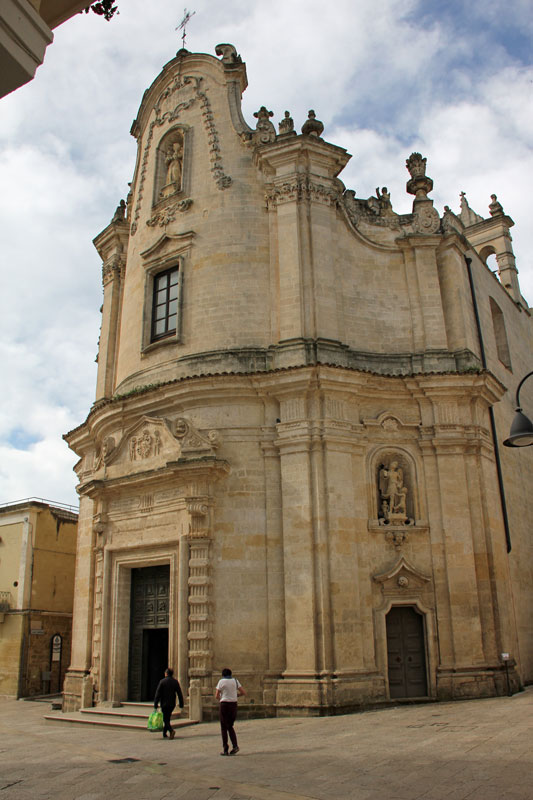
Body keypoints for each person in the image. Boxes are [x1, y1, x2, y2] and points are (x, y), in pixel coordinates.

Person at [215, 668, 245, 755]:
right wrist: (236, 695)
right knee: (230, 726)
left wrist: (222, 697)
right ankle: (235, 746)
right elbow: (243, 692)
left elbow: (216, 695)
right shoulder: (235, 681)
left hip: (224, 704)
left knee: (223, 727)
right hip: (233, 705)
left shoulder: (221, 682)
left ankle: (225, 748)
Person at [154, 667, 184, 739]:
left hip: (164, 703)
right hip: (172, 704)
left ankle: (171, 731)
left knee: (165, 719)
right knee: (167, 718)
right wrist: (181, 703)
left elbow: (157, 694)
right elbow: (179, 693)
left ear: (166, 674)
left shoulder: (162, 682)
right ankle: (164, 733)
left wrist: (155, 704)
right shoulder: (175, 682)